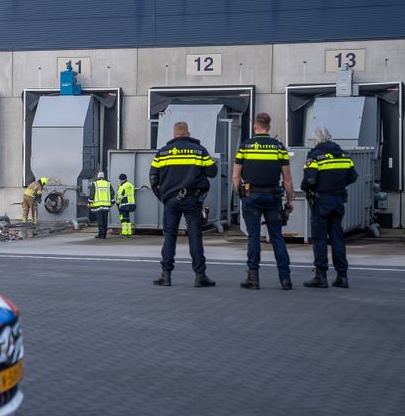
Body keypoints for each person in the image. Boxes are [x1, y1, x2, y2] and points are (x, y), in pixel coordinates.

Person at [149, 121, 217, 287]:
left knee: (170, 237)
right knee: (195, 236)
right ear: (188, 133)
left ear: (174, 135)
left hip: (170, 201)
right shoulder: (199, 151)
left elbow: (153, 178)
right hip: (193, 199)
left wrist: (163, 197)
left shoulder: (162, 152)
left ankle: (166, 276)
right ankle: (200, 276)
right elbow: (213, 172)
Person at [232, 112, 294, 290]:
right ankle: (285, 279)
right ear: (269, 127)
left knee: (253, 236)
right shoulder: (278, 147)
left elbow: (236, 176)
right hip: (273, 197)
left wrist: (240, 195)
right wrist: (290, 201)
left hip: (251, 197)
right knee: (277, 237)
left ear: (255, 126)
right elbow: (287, 179)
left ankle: (253, 278)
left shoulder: (246, 146)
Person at [301, 126, 358, 289]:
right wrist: (338, 186)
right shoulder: (343, 154)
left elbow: (309, 181)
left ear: (317, 140)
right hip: (338, 200)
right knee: (337, 238)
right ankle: (342, 276)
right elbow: (353, 176)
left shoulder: (315, 155)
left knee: (319, 239)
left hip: (321, 201)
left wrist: (305, 187)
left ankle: (321, 276)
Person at [88, 172, 114, 238]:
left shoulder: (95, 183)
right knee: (105, 221)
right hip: (106, 205)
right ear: (103, 176)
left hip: (98, 205)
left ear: (98, 177)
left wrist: (89, 203)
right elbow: (112, 193)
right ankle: (104, 234)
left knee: (100, 221)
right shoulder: (108, 183)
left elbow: (92, 194)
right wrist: (112, 202)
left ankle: (101, 235)